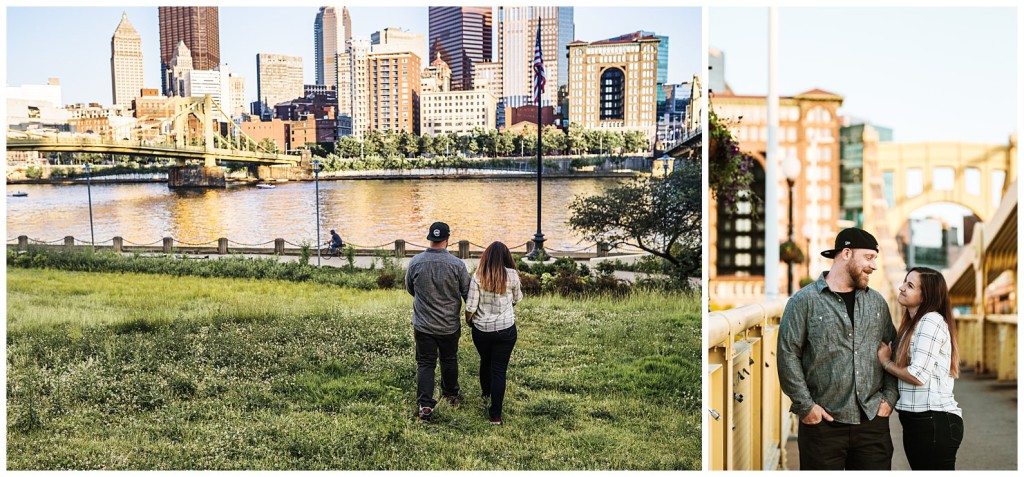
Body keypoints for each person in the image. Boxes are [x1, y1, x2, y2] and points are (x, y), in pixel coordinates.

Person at [777, 227, 899, 470]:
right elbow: (788, 354)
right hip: (822, 425)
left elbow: (893, 350)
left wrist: (889, 397)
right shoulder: (803, 301)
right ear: (846, 253)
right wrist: (807, 407)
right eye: (869, 257)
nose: (874, 266)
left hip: (872, 423)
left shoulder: (877, 302)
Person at [877, 267, 962, 470]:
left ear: (926, 296)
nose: (901, 287)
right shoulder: (912, 325)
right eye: (905, 282)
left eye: (910, 285)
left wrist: (886, 363)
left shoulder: (930, 321)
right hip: (920, 421)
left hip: (934, 421)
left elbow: (918, 375)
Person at [404, 221, 471, 423]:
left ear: (430, 239)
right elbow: (467, 293)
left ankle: (425, 404)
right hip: (449, 324)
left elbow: (410, 289)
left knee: (425, 363)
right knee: (449, 359)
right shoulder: (458, 265)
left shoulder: (415, 262)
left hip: (423, 324)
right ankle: (451, 395)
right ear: (447, 239)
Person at [465, 241, 522, 425]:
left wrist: (469, 321)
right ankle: (495, 415)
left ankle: (485, 394)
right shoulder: (512, 275)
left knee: (485, 361)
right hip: (505, 329)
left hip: (482, 330)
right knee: (499, 370)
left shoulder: (478, 276)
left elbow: (471, 306)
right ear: (506, 257)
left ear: (486, 256)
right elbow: (518, 298)